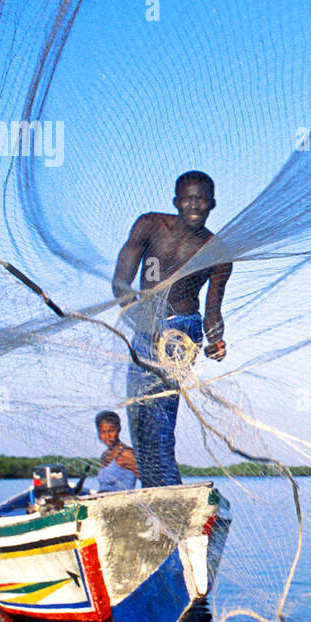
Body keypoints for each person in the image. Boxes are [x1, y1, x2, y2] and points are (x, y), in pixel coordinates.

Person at [112, 170, 232, 486]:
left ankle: (168, 489)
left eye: (202, 200)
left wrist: (216, 339)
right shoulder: (150, 226)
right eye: (189, 199)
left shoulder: (217, 251)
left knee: (161, 410)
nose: (195, 205)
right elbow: (121, 284)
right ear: (176, 201)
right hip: (145, 326)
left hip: (182, 332)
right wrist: (143, 321)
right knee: (139, 412)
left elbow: (212, 311)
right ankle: (158, 488)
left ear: (212, 204)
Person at [93, 410, 138, 492]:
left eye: (111, 431)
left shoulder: (126, 454)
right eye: (103, 432)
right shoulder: (105, 455)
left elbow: (147, 480)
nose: (107, 436)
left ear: (118, 429)